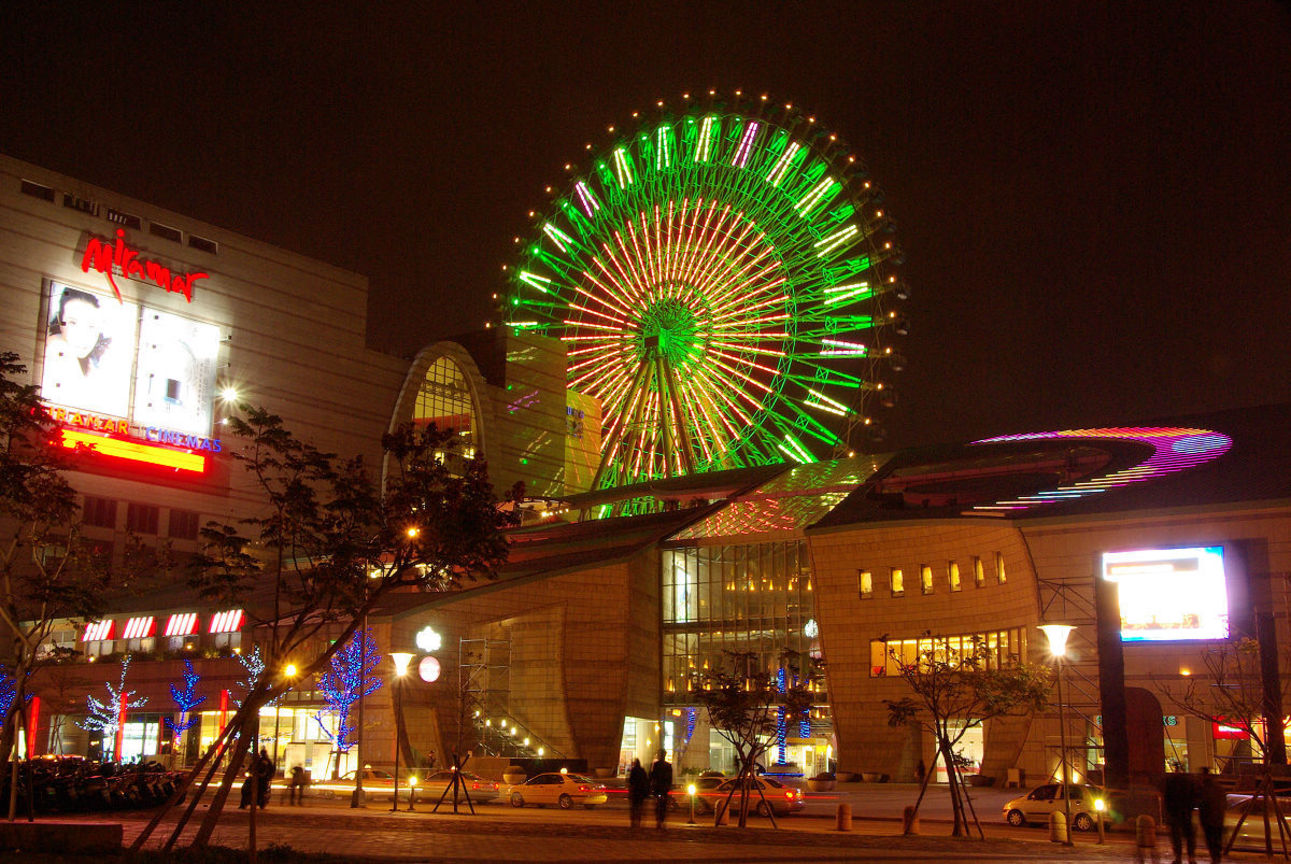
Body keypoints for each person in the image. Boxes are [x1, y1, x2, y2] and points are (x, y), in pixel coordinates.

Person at [1161, 767, 1198, 864]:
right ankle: (1191, 857)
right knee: (1189, 836)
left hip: (1175, 814)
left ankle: (1179, 857)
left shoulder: (1171, 783)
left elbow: (1167, 799)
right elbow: (1194, 798)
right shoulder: (1188, 784)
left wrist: (1168, 812)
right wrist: (1190, 808)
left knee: (1176, 837)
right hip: (1186, 813)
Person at [1197, 767, 1226, 864]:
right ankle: (1217, 858)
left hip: (1209, 819)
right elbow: (1223, 802)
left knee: (1211, 840)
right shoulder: (1218, 788)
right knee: (1217, 839)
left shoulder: (1204, 788)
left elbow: (1203, 803)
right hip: (1218, 818)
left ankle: (1215, 858)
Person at [649, 749, 673, 829]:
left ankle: (659, 820)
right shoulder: (668, 765)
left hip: (658, 788)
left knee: (658, 804)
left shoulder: (656, 765)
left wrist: (651, 785)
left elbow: (652, 776)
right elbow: (670, 778)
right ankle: (662, 820)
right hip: (663, 788)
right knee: (663, 805)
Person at [627, 758, 649, 828]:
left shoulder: (633, 770)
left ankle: (633, 822)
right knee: (640, 807)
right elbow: (646, 780)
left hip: (635, 791)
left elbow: (631, 781)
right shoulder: (642, 771)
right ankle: (639, 821)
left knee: (634, 807)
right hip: (641, 792)